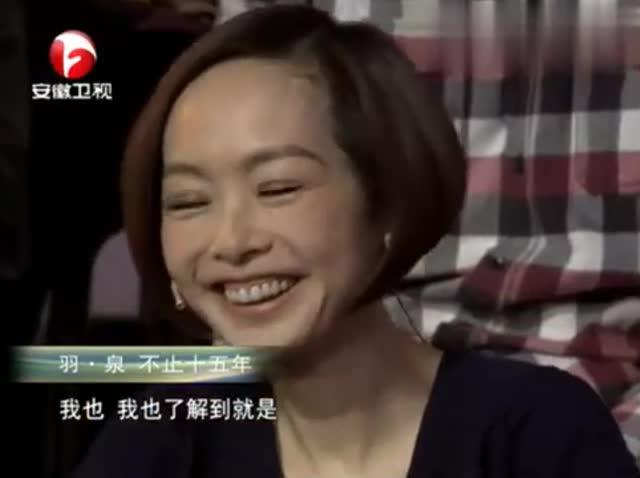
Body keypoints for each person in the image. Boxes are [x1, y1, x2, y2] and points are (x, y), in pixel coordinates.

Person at [73, 5, 639, 477]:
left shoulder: (537, 432)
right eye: (189, 202)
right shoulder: (162, 437)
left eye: (279, 188)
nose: (232, 241)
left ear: (387, 198)